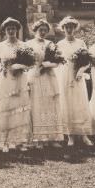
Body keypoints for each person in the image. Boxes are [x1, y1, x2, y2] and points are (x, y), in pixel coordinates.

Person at [0, 17, 33, 152]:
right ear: (5, 30)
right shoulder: (0, 46)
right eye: (8, 29)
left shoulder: (23, 45)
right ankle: (5, 141)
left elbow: (29, 64)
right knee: (6, 109)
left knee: (19, 108)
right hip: (5, 79)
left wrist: (20, 65)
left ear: (17, 30)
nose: (11, 31)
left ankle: (20, 141)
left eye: (13, 28)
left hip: (20, 79)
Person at [27, 19, 66, 147]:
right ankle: (39, 138)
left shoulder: (51, 44)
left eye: (45, 30)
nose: (43, 32)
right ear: (35, 30)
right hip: (35, 76)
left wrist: (48, 64)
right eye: (40, 30)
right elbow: (27, 63)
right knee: (37, 104)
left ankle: (52, 137)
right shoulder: (28, 44)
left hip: (49, 76)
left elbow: (58, 61)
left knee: (50, 104)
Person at [56, 16, 93, 147]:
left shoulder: (81, 43)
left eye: (71, 27)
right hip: (65, 75)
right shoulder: (59, 45)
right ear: (63, 29)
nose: (69, 29)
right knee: (67, 103)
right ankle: (70, 135)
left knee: (80, 102)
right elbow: (57, 62)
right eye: (67, 27)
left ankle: (83, 134)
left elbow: (87, 61)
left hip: (77, 75)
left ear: (75, 28)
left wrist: (81, 70)